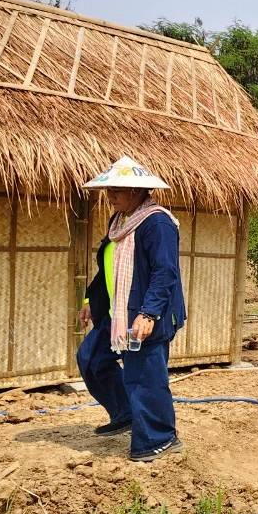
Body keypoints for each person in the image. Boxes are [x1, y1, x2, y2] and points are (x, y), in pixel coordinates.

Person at [76, 156, 187, 462]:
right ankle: (125, 413)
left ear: (139, 191)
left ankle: (160, 437)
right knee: (91, 359)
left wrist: (149, 313)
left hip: (145, 313)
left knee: (144, 376)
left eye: (118, 189)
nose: (110, 195)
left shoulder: (157, 223)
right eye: (109, 189)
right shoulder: (119, 222)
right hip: (117, 313)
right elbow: (107, 266)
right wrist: (90, 300)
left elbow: (165, 272)